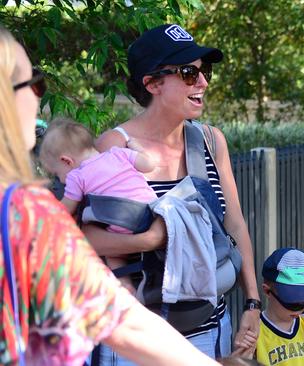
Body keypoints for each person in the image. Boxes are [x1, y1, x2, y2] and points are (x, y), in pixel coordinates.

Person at [0, 25, 220, 366]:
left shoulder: (208, 141)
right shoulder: (22, 214)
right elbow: (120, 319)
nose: (38, 96)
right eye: (34, 84)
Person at [89, 24, 261, 363]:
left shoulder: (211, 141)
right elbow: (89, 240)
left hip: (209, 329)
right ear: (152, 83)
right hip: (137, 339)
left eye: (204, 71)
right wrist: (151, 240)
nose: (203, 82)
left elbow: (235, 225)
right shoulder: (115, 146)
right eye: (188, 73)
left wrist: (253, 303)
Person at [39, 119, 157, 293]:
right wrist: (136, 147)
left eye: (57, 173)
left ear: (66, 161)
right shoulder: (118, 153)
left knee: (113, 254)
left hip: (123, 221)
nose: (60, 180)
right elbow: (149, 165)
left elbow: (65, 210)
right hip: (151, 211)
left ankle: (125, 286)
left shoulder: (76, 176)